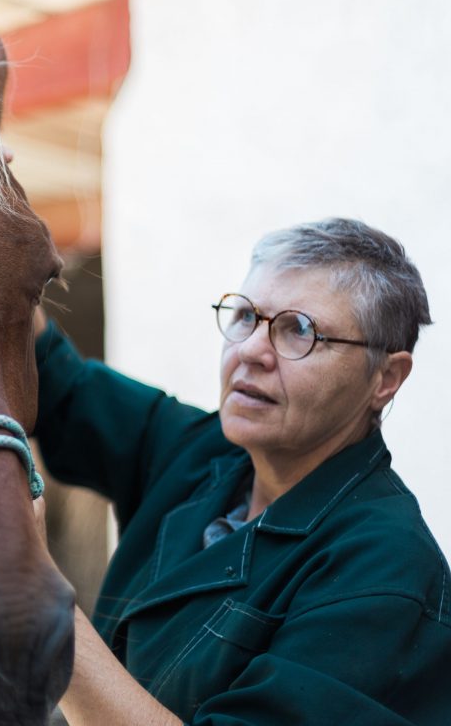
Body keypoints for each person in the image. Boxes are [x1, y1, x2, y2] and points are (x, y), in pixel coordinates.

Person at [33, 218, 451, 725]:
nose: (251, 350)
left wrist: (38, 596)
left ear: (386, 377)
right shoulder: (203, 454)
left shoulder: (386, 568)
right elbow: (54, 377)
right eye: (246, 316)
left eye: (299, 330)